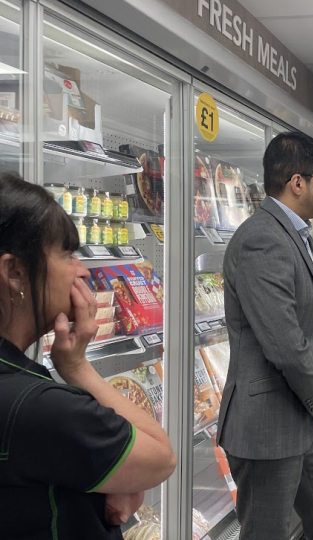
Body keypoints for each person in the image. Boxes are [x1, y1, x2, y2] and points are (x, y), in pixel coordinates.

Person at [0, 172, 176, 539]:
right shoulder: (39, 407)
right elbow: (161, 458)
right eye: (66, 253)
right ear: (15, 272)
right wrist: (78, 368)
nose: (82, 270)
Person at [217, 131, 313, 540]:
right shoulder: (261, 238)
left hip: (312, 418)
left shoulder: (300, 235)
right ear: (297, 183)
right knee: (266, 532)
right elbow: (283, 338)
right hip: (269, 423)